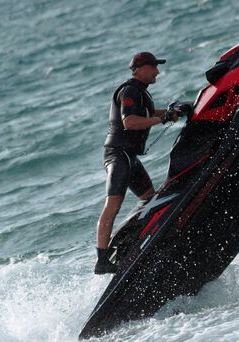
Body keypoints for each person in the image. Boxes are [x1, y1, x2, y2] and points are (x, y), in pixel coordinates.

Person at [95, 52, 187, 274]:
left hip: (129, 157)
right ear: (140, 69)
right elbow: (130, 122)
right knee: (113, 204)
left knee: (148, 198)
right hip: (117, 155)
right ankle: (102, 259)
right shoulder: (129, 90)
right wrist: (162, 119)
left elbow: (150, 113)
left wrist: (174, 111)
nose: (157, 71)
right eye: (154, 67)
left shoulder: (141, 93)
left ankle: (130, 239)